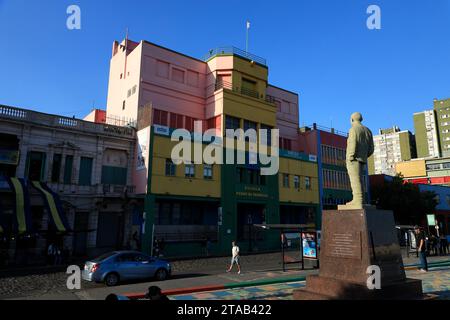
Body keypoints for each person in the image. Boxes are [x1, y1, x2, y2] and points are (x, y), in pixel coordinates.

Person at [343, 112, 374, 209]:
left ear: (352, 119)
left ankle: (358, 200)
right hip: (362, 158)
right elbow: (371, 148)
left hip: (354, 159)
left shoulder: (353, 129)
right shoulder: (368, 131)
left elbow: (353, 143)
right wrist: (364, 155)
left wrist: (350, 156)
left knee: (355, 179)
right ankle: (361, 199)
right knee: (359, 179)